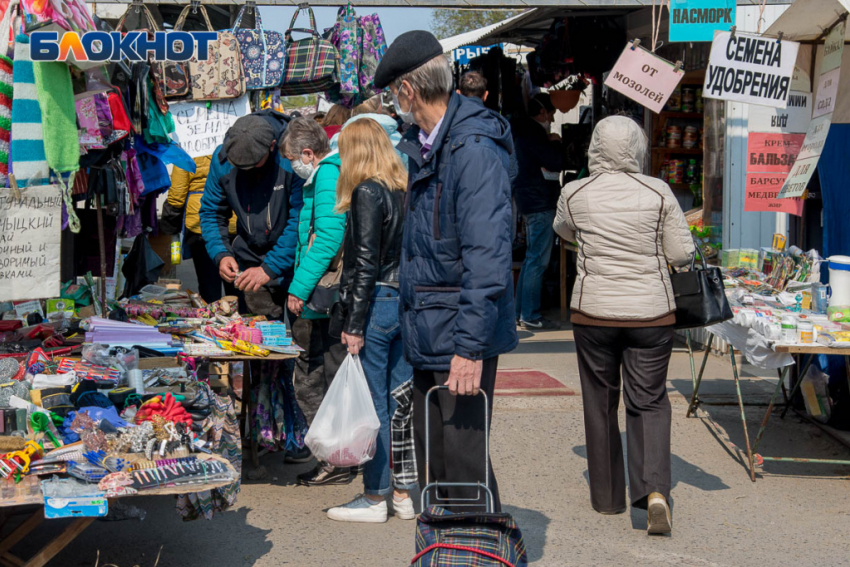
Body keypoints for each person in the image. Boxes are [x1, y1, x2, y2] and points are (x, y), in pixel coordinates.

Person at [373, 30, 517, 512]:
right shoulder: (430, 143)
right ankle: (458, 551)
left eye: (396, 93)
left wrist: (469, 348)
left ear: (408, 90)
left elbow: (486, 256)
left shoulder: (471, 147)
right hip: (433, 326)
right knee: (444, 463)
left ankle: (477, 553)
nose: (396, 104)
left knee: (462, 465)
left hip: (458, 333)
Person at [553, 116, 695, 535]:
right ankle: (654, 493)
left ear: (595, 147)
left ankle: (607, 498)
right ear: (637, 147)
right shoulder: (658, 191)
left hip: (593, 313)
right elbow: (681, 254)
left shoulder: (574, 192)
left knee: (599, 402)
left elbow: (564, 231)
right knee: (649, 401)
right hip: (651, 315)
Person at [325, 118, 415, 523]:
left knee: (374, 405)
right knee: (401, 403)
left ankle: (376, 496)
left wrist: (354, 323)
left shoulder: (367, 192)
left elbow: (364, 264)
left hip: (376, 302)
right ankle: (401, 492)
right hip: (404, 302)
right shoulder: (403, 189)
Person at [280, 117, 350, 486]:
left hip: (320, 298)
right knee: (322, 373)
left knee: (313, 376)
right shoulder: (330, 171)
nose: (293, 166)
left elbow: (327, 237)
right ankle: (337, 457)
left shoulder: (325, 174)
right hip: (323, 296)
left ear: (308, 152)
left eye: (293, 158)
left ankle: (333, 459)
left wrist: (298, 288)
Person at [199, 111, 304, 317]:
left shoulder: (292, 158)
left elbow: (300, 220)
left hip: (297, 264)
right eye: (240, 166)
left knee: (304, 341)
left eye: (253, 163)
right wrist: (221, 255)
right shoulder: (223, 160)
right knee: (259, 336)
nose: (246, 170)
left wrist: (270, 267)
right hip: (251, 260)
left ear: (272, 146)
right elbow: (212, 212)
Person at [512, 92, 564, 330]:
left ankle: (520, 311)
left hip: (529, 200)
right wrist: (554, 142)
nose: (552, 119)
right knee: (537, 261)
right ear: (542, 113)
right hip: (539, 201)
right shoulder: (534, 133)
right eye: (551, 114)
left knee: (531, 259)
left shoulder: (522, 131)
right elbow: (554, 162)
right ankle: (530, 314)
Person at [163, 156, 236, 303]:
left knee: (209, 286)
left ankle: (212, 321)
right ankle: (239, 320)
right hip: (234, 219)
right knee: (236, 283)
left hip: (200, 223)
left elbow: (177, 193)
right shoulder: (233, 146)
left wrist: (170, 220)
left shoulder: (190, 149)